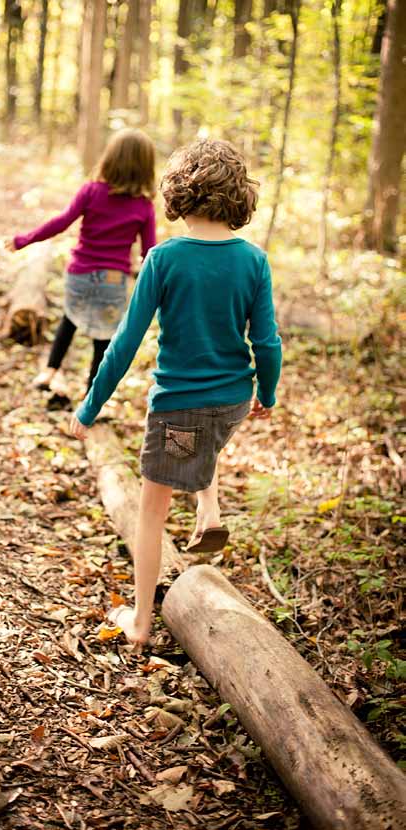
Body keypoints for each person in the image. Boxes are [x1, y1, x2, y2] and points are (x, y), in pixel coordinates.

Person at [69, 138, 282, 644]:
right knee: (203, 436)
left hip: (179, 411)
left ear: (179, 193)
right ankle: (208, 507)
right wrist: (267, 395)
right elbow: (267, 342)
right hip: (231, 405)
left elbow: (123, 342)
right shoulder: (253, 260)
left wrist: (90, 405)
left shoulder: (164, 260)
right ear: (238, 196)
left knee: (152, 507)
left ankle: (140, 622)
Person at [5, 128, 157, 399]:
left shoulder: (91, 191)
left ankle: (50, 371)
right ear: (145, 168)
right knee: (104, 338)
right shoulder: (143, 206)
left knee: (69, 319)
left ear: (110, 159)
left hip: (80, 273)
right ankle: (92, 394)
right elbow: (150, 253)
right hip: (113, 279)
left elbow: (61, 222)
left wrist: (23, 240)